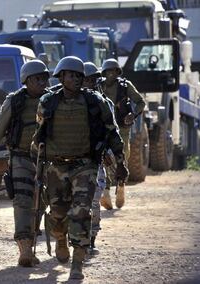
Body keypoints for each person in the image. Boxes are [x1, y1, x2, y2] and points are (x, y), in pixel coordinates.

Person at [33, 56, 128, 279]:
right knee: (57, 215)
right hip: (56, 167)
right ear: (61, 77)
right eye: (71, 75)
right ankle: (60, 239)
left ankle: (77, 263)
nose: (76, 79)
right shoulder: (48, 102)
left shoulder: (95, 102)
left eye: (79, 76)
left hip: (85, 165)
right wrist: (36, 166)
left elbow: (112, 132)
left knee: (81, 211)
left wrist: (120, 162)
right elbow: (39, 137)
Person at [0, 60, 50, 267]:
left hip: (48, 160)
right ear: (26, 80)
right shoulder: (14, 102)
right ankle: (25, 247)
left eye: (44, 77)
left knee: (41, 203)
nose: (42, 82)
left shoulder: (53, 99)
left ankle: (33, 240)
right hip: (21, 158)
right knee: (23, 201)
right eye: (37, 78)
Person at [98, 58, 146, 210]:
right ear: (104, 73)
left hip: (122, 128)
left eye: (114, 71)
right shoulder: (99, 86)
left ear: (118, 72)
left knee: (122, 157)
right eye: (108, 71)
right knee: (103, 157)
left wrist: (133, 114)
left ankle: (120, 186)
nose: (111, 74)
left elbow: (140, 102)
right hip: (104, 128)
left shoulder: (125, 86)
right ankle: (106, 191)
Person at [83, 62, 112, 255]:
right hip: (69, 159)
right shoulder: (63, 101)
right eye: (87, 79)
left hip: (95, 159)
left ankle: (91, 239)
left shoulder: (104, 103)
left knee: (93, 200)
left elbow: (111, 132)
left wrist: (109, 153)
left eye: (94, 79)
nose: (90, 83)